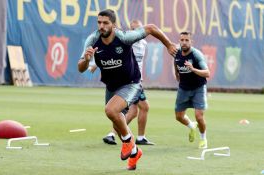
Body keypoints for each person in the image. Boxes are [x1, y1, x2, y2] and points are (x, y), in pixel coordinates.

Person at [78, 9, 177, 170]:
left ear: (113, 25)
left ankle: (127, 142)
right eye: (99, 22)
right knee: (117, 122)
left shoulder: (124, 37)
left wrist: (169, 44)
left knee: (111, 110)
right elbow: (81, 68)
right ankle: (135, 151)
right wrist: (87, 59)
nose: (101, 26)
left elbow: (151, 27)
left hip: (131, 83)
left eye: (105, 23)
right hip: (112, 86)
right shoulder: (92, 40)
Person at [102, 20, 154, 146]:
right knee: (138, 109)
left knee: (135, 111)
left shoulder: (144, 43)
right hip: (132, 82)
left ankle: (118, 135)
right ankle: (115, 134)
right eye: (132, 29)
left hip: (136, 80)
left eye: (137, 29)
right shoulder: (128, 43)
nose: (134, 32)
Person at [173, 31, 210, 149]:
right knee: (179, 116)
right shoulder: (177, 54)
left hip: (198, 88)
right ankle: (191, 126)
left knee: (199, 116)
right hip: (183, 88)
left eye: (186, 40)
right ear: (179, 41)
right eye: (182, 40)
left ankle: (203, 138)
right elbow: (176, 66)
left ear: (191, 42)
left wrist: (193, 69)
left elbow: (207, 73)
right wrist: (177, 75)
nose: (184, 42)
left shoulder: (196, 55)